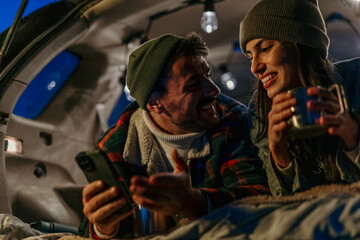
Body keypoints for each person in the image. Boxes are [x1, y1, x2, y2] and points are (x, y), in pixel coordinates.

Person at [78, 32, 269, 239]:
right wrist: (104, 227)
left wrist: (193, 201)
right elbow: (90, 230)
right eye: (193, 84)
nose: (213, 90)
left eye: (208, 75)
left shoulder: (234, 121)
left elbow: (257, 198)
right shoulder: (117, 149)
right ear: (155, 104)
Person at [239, 0, 360, 196]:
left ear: (302, 44)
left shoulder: (356, 79)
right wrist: (278, 154)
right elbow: (287, 206)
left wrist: (353, 139)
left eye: (265, 49)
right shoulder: (260, 108)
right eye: (250, 55)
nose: (254, 68)